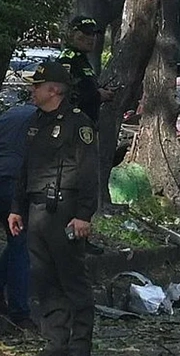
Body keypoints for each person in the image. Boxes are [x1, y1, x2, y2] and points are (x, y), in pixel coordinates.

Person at [8, 61, 99, 356]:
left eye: (38, 86)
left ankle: (80, 344)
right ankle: (57, 342)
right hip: (36, 210)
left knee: (72, 278)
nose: (33, 91)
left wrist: (84, 214)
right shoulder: (36, 122)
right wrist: (16, 208)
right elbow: (26, 168)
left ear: (54, 90)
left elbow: (87, 172)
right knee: (44, 280)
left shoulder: (78, 123)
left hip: (64, 210)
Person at [0, 104, 36, 332]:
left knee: (15, 245)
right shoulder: (45, 121)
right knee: (20, 244)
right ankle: (20, 312)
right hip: (13, 183)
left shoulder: (11, 114)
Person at [58, 16, 114, 124]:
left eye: (94, 34)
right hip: (71, 122)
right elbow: (63, 93)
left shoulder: (83, 59)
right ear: (73, 34)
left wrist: (101, 89)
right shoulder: (68, 59)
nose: (91, 38)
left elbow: (84, 85)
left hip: (87, 121)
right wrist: (98, 96)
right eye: (87, 33)